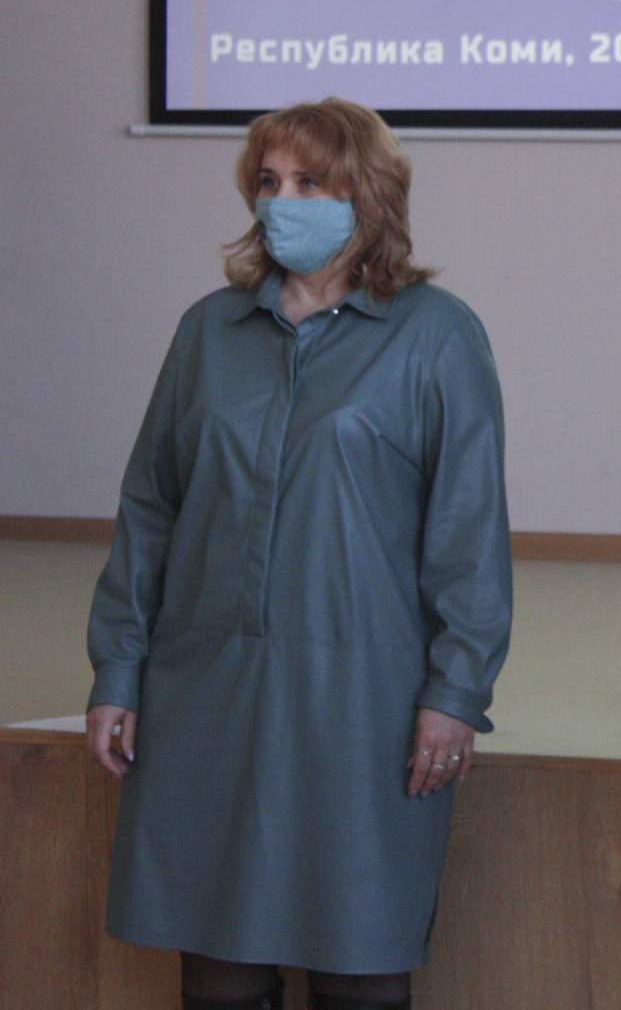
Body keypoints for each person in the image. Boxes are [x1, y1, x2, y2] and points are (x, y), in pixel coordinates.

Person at [84, 99, 512, 1010]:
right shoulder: (209, 331)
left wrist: (456, 693)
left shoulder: (437, 333)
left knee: (360, 962)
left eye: (311, 183)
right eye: (270, 183)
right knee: (218, 965)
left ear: (369, 193)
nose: (284, 202)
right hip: (206, 691)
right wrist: (118, 669)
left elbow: (469, 532)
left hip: (361, 703)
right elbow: (150, 508)